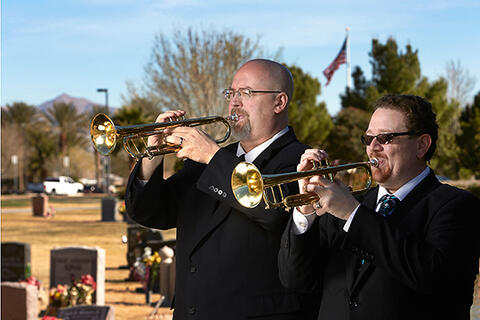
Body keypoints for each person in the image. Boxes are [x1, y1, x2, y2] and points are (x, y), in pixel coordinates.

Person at [125, 59, 319, 319]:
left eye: (246, 93)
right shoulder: (210, 161)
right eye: (231, 93)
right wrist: (153, 154)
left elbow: (271, 212)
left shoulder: (301, 161)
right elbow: (151, 213)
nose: (234, 102)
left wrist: (214, 157)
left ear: (279, 102)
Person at [278, 94, 480, 320]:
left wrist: (353, 215)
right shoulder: (349, 202)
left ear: (422, 145)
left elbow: (434, 278)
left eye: (385, 138)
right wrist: (305, 209)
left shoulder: (457, 205)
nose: (372, 148)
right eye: (368, 138)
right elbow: (295, 279)